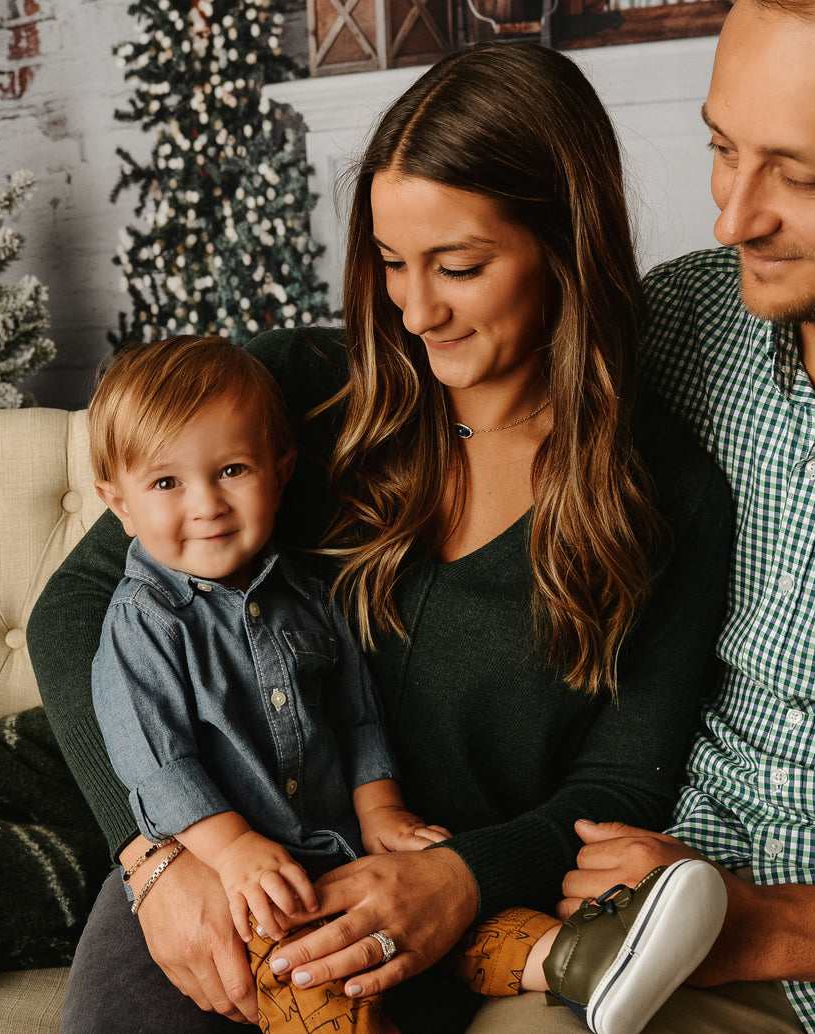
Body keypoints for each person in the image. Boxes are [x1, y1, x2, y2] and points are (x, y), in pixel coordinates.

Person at [30, 41, 734, 1034]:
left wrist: (458, 876)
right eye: (391, 263)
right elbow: (73, 612)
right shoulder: (292, 399)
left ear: (565, 246)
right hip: (221, 871)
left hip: (452, 916)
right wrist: (156, 861)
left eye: (457, 266)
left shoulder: (663, 494)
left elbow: (622, 780)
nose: (412, 308)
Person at [473, 1, 815, 1033]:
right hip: (643, 923)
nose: (731, 217)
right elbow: (419, 375)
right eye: (719, 149)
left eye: (799, 174)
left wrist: (761, 924)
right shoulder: (681, 322)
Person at [81, 334, 729, 1034]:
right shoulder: (143, 624)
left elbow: (355, 720)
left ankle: (582, 961)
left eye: (231, 470)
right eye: (166, 484)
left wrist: (381, 812)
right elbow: (156, 763)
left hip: (341, 854)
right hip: (246, 887)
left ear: (282, 469)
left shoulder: (307, 594)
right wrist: (231, 851)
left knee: (464, 931)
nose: (206, 504)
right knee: (319, 984)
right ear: (117, 504)